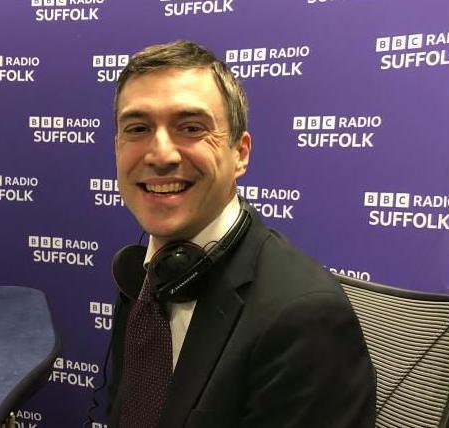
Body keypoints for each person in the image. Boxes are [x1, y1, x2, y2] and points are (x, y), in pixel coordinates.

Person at [107, 40, 376, 428]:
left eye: (191, 127)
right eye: (138, 128)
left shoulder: (303, 319)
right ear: (117, 147)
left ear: (240, 153)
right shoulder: (148, 275)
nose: (161, 154)